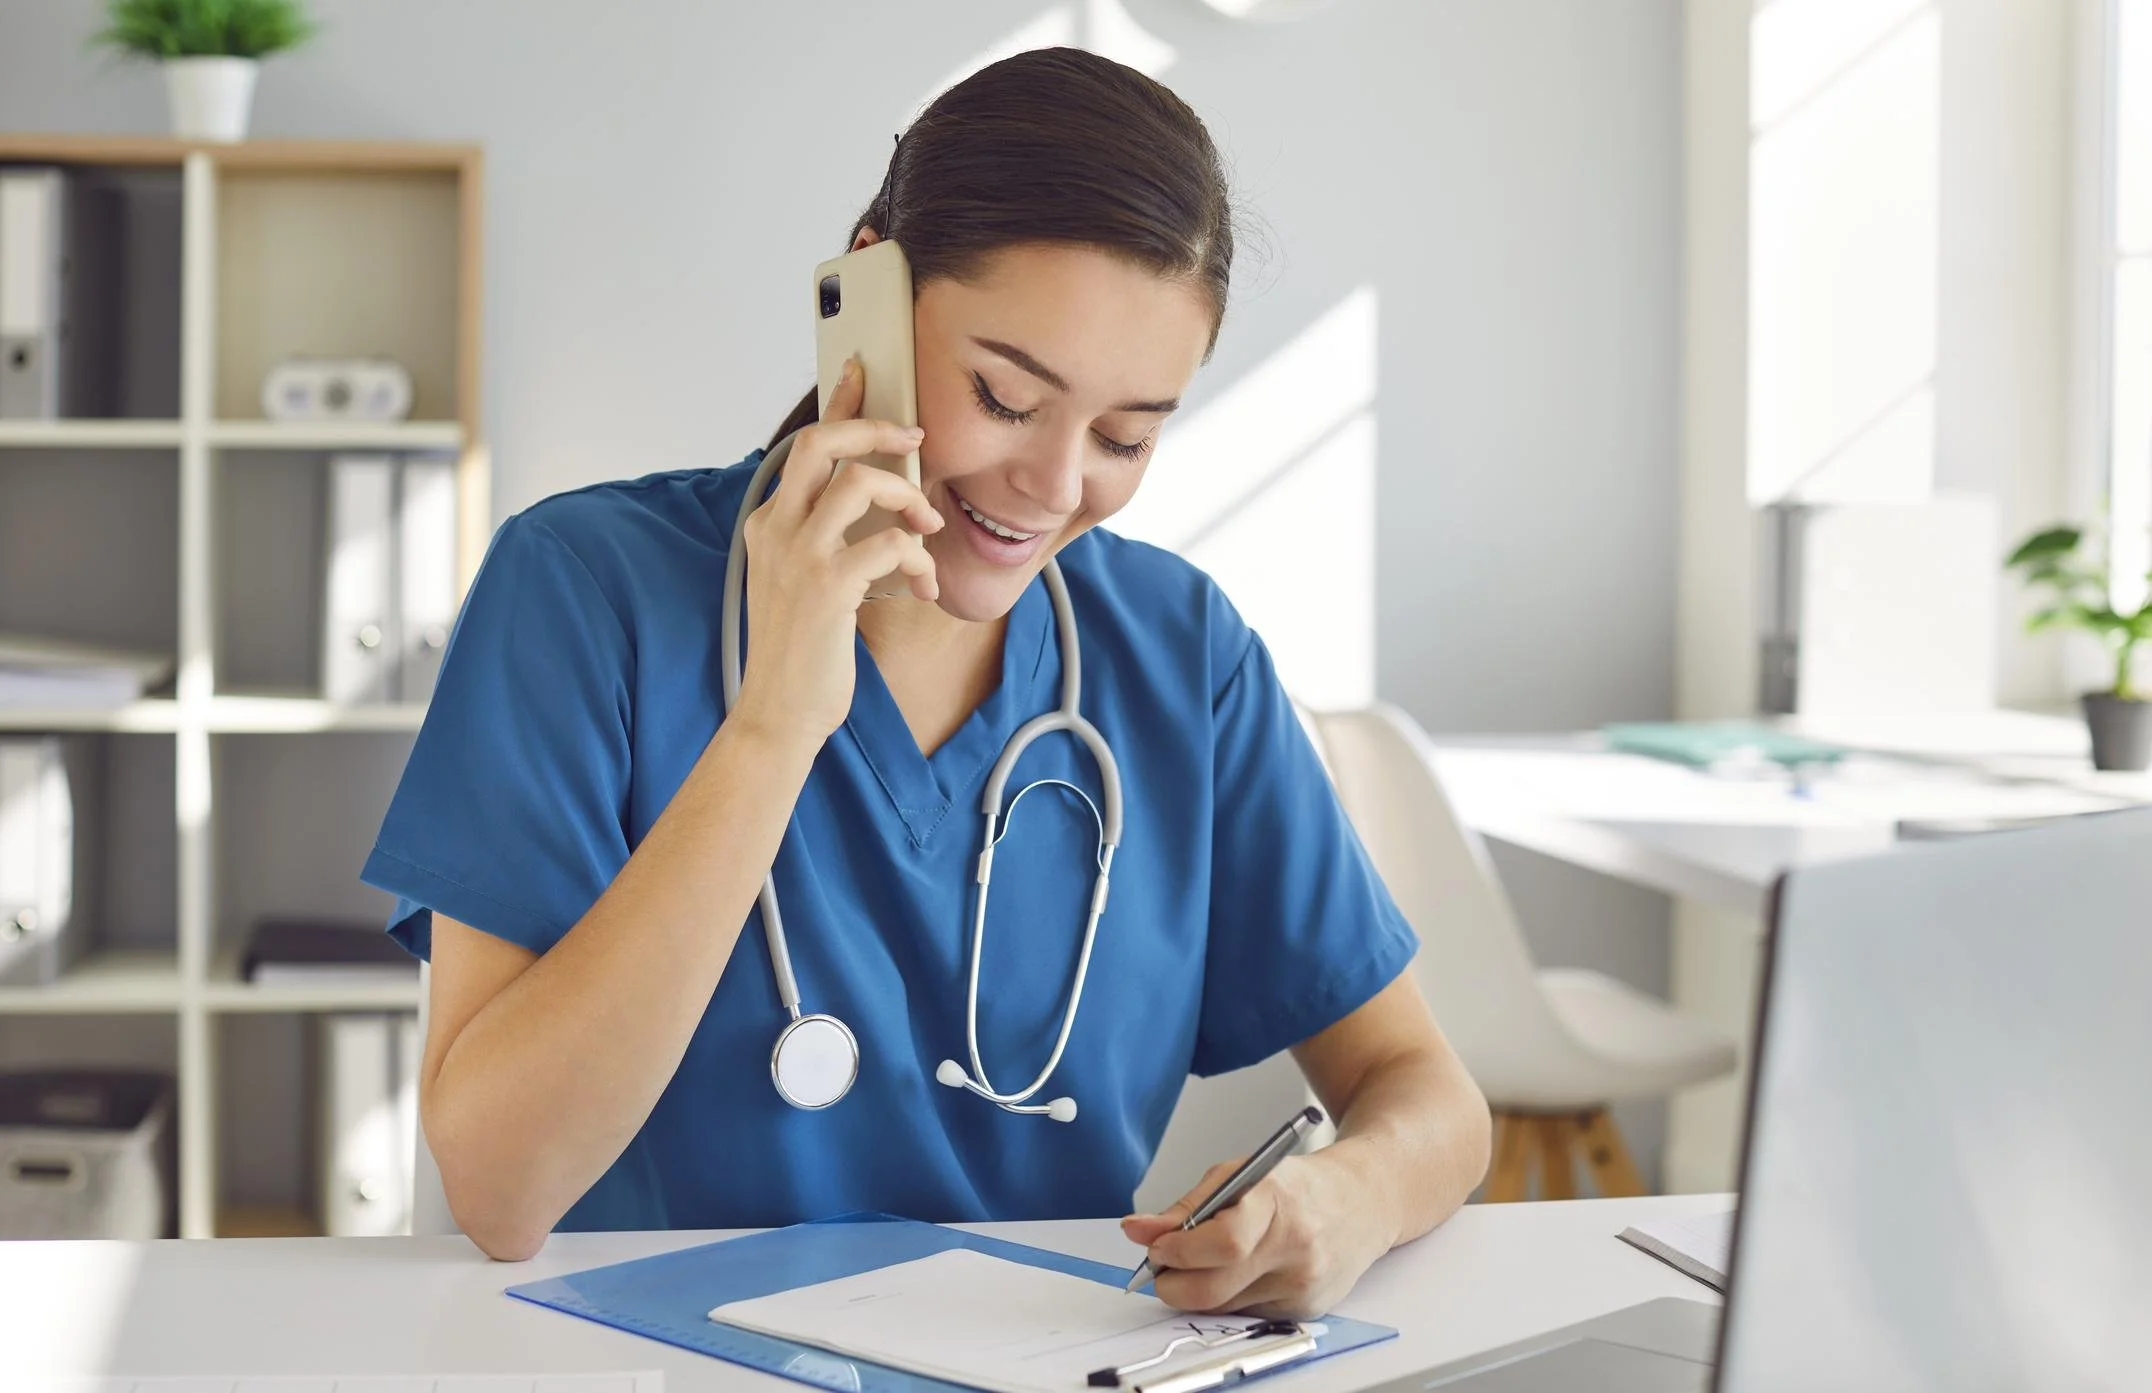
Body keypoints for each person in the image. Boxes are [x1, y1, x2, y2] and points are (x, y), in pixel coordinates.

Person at [361, 46, 1490, 1317]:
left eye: (1126, 435)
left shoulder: (1178, 651)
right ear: (869, 291)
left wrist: (1346, 1198)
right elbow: (502, 1189)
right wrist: (776, 721)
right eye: (1005, 397)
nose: (1057, 487)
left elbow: (1428, 1092)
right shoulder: (583, 588)